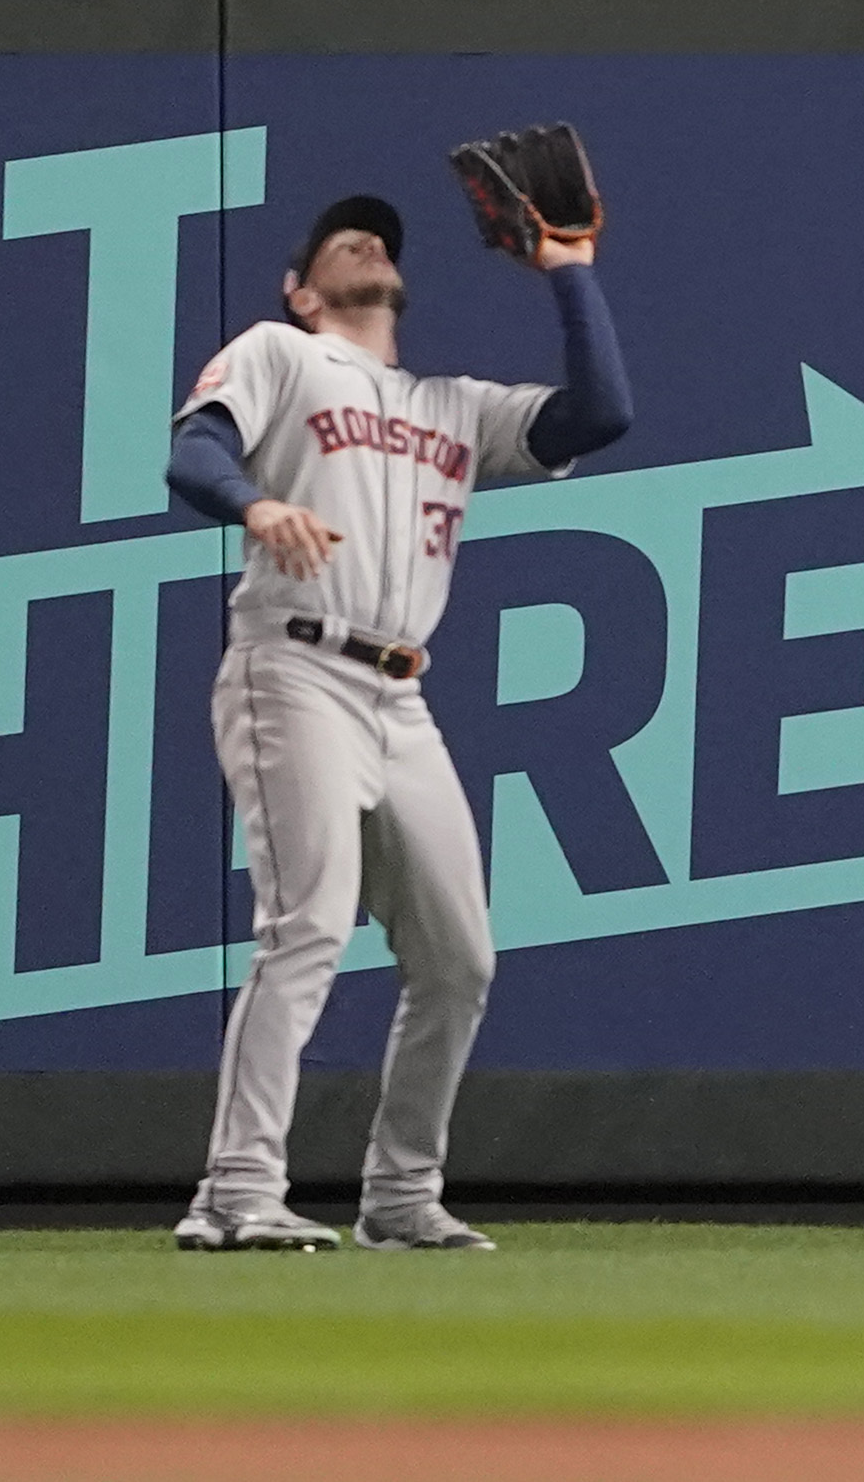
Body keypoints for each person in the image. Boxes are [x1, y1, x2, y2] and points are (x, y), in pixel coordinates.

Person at [162, 177, 633, 1258]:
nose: (365, 237)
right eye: (338, 238)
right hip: (293, 669)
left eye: (377, 235)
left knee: (460, 958)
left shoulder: (451, 405)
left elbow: (600, 414)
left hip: (400, 697)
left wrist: (569, 275)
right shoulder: (280, 354)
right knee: (308, 925)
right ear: (300, 289)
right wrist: (255, 502)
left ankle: (400, 1193)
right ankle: (234, 1190)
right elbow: (195, 450)